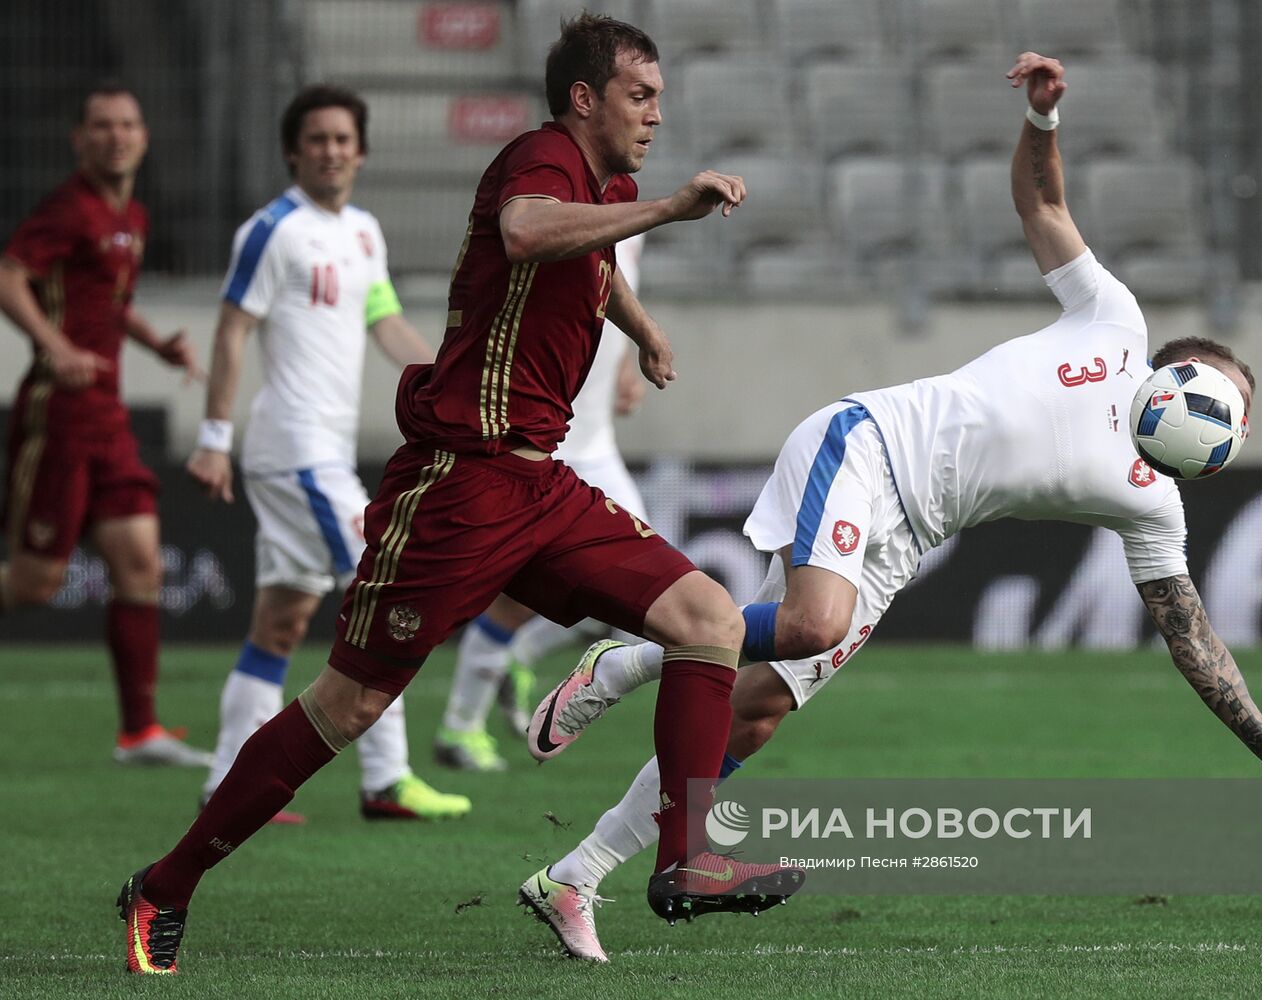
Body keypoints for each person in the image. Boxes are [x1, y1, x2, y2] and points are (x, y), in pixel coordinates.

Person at [516, 51, 1262, 963]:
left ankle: (576, 873)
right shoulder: (1113, 323)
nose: (1221, 411)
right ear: (1174, 372)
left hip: (907, 536)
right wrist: (1041, 122)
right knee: (806, 624)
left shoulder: (1153, 504)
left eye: (1236, 412)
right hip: (870, 442)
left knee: (753, 713)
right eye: (1218, 389)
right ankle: (631, 658)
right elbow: (1042, 208)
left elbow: (1190, 637)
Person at [118, 14, 803, 976]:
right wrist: (664, 213)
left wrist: (640, 328)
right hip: (460, 481)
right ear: (582, 98)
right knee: (347, 705)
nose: (656, 114)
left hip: (540, 482)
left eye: (658, 98)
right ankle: (164, 884)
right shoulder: (539, 158)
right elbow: (527, 234)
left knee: (706, 619)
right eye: (639, 96)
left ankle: (684, 859)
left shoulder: (601, 185)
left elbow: (588, 266)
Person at [186, 85, 471, 823]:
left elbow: (384, 325)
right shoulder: (271, 230)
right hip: (295, 449)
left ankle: (225, 778)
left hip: (317, 454)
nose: (331, 150)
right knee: (388, 583)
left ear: (362, 151)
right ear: (294, 150)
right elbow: (229, 332)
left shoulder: (364, 233)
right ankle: (386, 777)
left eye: (343, 139)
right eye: (317, 139)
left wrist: (450, 382)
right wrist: (214, 438)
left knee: (280, 621)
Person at [0, 83, 209, 766]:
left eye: (127, 124)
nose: (117, 136)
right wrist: (53, 347)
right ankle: (139, 730)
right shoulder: (67, 208)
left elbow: (110, 301)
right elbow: (9, 276)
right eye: (102, 126)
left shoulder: (133, 216)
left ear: (143, 137)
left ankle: (139, 733)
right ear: (79, 139)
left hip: (108, 418)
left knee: (140, 564)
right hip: (56, 416)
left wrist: (156, 345)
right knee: (32, 584)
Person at [435, 234, 650, 771]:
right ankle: (459, 730)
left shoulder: (631, 214)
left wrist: (624, 359)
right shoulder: (550, 208)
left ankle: (514, 663)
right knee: (516, 597)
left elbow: (613, 295)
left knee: (646, 585)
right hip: (546, 447)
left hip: (597, 446)